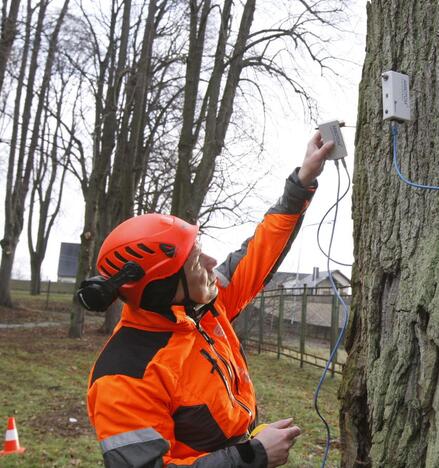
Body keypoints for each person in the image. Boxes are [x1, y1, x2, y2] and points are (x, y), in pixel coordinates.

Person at [80, 133, 335, 467]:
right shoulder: (123, 376)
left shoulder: (203, 308)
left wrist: (302, 181)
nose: (212, 263)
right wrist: (253, 454)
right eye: (196, 260)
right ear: (164, 284)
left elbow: (259, 253)